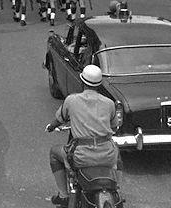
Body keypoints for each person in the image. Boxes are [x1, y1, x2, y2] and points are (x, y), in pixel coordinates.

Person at [45, 65, 120, 207]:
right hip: (107, 155)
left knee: (54, 153)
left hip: (82, 156)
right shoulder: (109, 103)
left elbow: (59, 119)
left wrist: (51, 127)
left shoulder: (71, 100)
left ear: (82, 81)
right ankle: (116, 186)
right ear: (100, 83)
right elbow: (114, 126)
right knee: (118, 155)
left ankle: (63, 195)